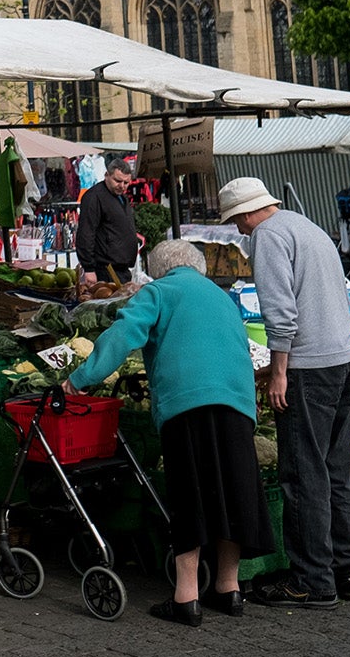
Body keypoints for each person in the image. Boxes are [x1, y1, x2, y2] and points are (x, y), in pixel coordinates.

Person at [65, 239, 273, 625]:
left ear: (158, 269)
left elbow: (122, 336)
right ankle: (229, 589)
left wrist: (80, 380)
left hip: (187, 403)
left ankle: (186, 598)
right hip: (237, 402)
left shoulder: (158, 292)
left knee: (189, 493)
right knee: (232, 491)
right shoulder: (222, 296)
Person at [221, 178, 350, 609]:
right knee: (335, 470)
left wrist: (279, 371)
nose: (241, 233)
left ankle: (312, 581)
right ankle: (347, 570)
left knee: (303, 476)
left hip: (309, 370)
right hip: (343, 359)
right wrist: (277, 366)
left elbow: (281, 312)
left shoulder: (267, 235)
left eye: (236, 224)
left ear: (246, 214)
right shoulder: (305, 225)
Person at [76, 159, 141, 284]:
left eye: (126, 182)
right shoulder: (94, 197)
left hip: (122, 268)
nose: (122, 186)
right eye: (117, 181)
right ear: (107, 175)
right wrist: (89, 268)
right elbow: (86, 233)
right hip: (106, 270)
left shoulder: (122, 197)